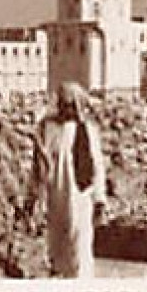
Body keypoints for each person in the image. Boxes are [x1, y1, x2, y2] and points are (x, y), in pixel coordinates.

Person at [37, 81, 107, 279]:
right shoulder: (46, 128)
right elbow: (39, 165)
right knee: (56, 247)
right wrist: (35, 195)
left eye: (70, 104)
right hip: (55, 195)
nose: (66, 108)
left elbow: (96, 165)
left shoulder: (87, 131)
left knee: (80, 247)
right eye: (63, 104)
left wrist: (99, 199)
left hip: (81, 196)